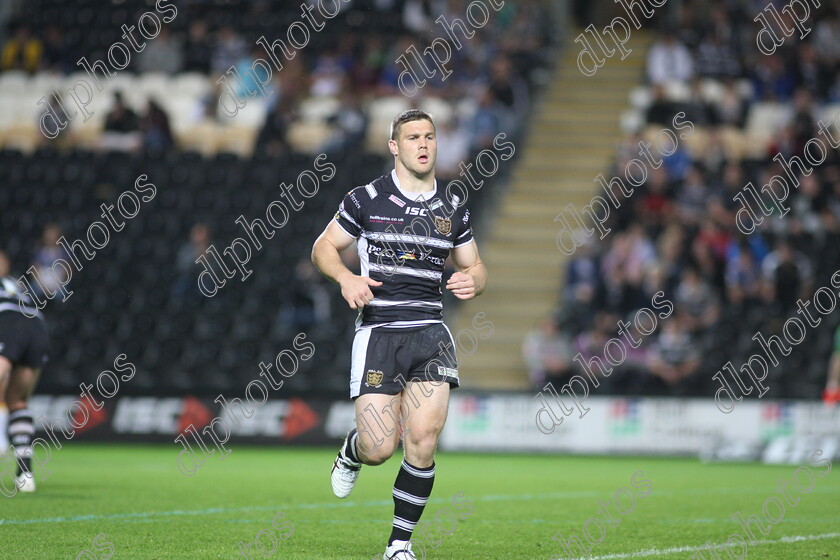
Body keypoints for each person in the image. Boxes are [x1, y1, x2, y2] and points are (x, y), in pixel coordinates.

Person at [311, 109, 487, 560]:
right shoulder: (365, 199)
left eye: (429, 136)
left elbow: (475, 265)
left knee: (423, 438)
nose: (423, 144)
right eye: (412, 137)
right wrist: (347, 279)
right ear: (395, 146)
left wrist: (476, 280)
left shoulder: (452, 206)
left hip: (430, 331)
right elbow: (323, 247)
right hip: (380, 332)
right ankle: (352, 451)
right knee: (378, 447)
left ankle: (399, 545)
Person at [0, 250, 50, 493]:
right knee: (17, 401)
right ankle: (25, 473)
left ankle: (0, 440)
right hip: (37, 325)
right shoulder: (19, 283)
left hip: (7, 319)